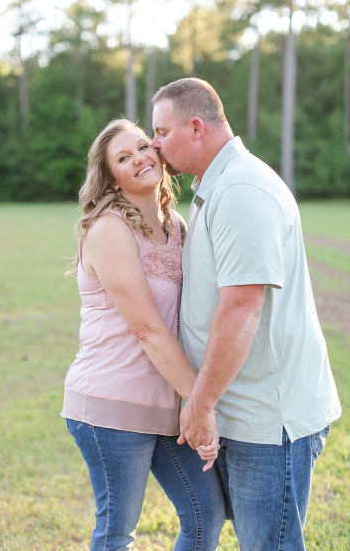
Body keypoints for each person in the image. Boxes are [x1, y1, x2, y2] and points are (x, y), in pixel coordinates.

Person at [150, 77, 342, 551]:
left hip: (268, 423)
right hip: (244, 415)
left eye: (161, 131)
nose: (153, 144)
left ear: (196, 127)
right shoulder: (216, 185)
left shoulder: (242, 190)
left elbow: (241, 310)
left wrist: (200, 404)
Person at [61, 118, 225, 551]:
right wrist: (200, 401)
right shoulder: (109, 229)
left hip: (166, 403)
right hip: (110, 405)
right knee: (117, 533)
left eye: (141, 147)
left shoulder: (177, 225)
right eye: (122, 158)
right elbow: (149, 330)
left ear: (157, 152)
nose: (138, 159)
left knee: (205, 516)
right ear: (111, 177)